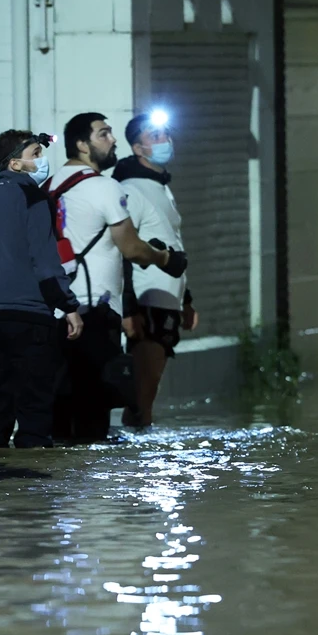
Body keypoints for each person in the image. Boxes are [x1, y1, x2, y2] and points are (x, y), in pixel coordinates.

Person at [42, 112, 186, 443]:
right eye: (104, 134)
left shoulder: (49, 187)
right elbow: (132, 247)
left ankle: (57, 489)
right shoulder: (105, 187)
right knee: (94, 417)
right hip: (94, 311)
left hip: (57, 310)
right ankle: (96, 493)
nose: (113, 140)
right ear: (81, 144)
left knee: (62, 411)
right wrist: (164, 258)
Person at [0, 130, 83, 449]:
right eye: (35, 154)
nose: (42, 160)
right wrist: (68, 305)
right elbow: (44, 259)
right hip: (31, 319)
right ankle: (30, 494)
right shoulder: (34, 198)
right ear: (14, 164)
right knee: (34, 414)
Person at [113, 111, 199, 428]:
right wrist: (129, 307)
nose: (165, 141)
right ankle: (133, 460)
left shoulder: (160, 185)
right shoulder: (131, 187)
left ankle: (136, 451)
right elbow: (123, 247)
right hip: (147, 299)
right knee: (142, 393)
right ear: (138, 148)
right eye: (155, 136)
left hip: (166, 298)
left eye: (166, 134)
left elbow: (172, 241)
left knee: (149, 389)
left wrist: (185, 299)